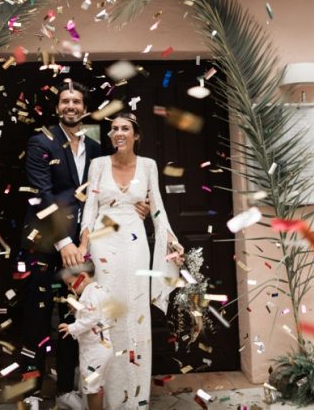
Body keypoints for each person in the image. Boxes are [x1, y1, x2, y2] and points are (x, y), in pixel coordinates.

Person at [20, 83, 148, 409]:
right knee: (36, 316)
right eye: (65, 101)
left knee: (73, 318)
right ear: (58, 107)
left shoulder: (95, 150)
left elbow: (105, 193)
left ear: (85, 107)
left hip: (83, 250)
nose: (71, 106)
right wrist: (64, 241)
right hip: (46, 245)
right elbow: (41, 195)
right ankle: (32, 393)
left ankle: (66, 389)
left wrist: (135, 207)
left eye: (77, 101)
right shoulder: (41, 142)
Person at [78, 113, 183, 409]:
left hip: (136, 243)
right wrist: (83, 246)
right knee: (106, 308)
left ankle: (134, 396)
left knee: (135, 309)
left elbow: (157, 208)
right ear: (110, 136)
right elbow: (89, 208)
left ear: (136, 135)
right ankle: (103, 392)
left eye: (125, 128)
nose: (118, 133)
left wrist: (172, 241)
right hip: (103, 240)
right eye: (114, 129)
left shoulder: (148, 166)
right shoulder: (98, 165)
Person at [58, 261, 112, 410]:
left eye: (70, 284)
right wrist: (78, 312)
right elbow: (97, 316)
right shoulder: (98, 290)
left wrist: (72, 328)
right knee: (97, 385)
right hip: (103, 349)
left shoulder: (89, 294)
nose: (70, 289)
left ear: (82, 276)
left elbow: (92, 318)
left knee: (91, 389)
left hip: (94, 351)